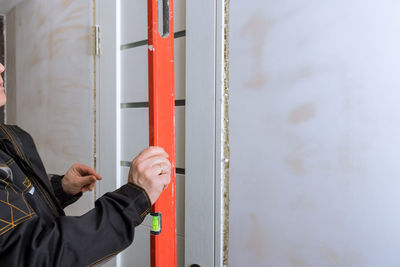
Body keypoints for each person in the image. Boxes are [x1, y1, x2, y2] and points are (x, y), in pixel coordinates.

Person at [0, 63, 171, 266]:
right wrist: (133, 198)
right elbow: (39, 256)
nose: (1, 67)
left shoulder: (8, 136)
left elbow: (11, 206)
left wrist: (60, 188)